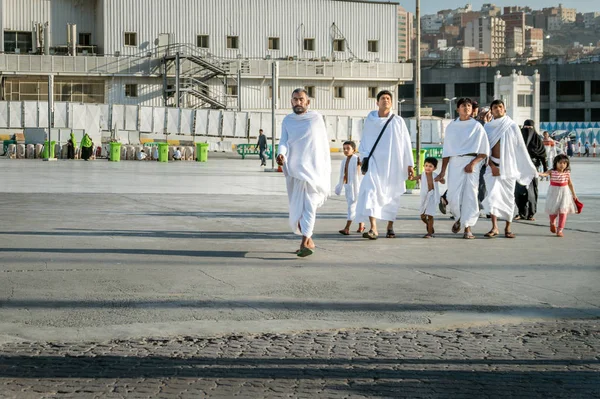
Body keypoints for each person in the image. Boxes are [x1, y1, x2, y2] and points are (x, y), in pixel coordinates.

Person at [276, 88, 331, 257]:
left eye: (301, 99)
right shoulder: (287, 120)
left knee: (310, 205)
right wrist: (281, 154)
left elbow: (321, 145)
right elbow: (284, 141)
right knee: (299, 208)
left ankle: (304, 241)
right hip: (295, 170)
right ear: (291, 101)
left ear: (308, 102)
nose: (298, 102)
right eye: (295, 99)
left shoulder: (316, 118)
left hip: (314, 170)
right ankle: (309, 240)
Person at [355, 90, 414, 240]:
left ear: (392, 103)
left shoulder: (398, 121)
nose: (385, 100)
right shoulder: (370, 119)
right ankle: (373, 228)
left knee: (391, 196)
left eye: (388, 98)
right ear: (377, 102)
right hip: (374, 163)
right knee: (370, 191)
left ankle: (390, 226)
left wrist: (409, 164)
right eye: (382, 98)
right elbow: (365, 140)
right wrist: (363, 158)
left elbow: (406, 143)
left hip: (393, 164)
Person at [482, 100, 537, 239]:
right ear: (491, 111)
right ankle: (494, 227)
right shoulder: (487, 128)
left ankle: (508, 228)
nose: (498, 109)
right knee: (492, 198)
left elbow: (520, 148)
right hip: (492, 167)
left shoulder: (512, 126)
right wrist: (492, 166)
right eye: (495, 107)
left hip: (508, 168)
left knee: (508, 199)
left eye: (500, 107)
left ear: (504, 110)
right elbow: (483, 150)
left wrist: (527, 167)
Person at [435, 97, 489, 239]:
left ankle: (467, 227)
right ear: (458, 108)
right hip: (454, 162)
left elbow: (484, 151)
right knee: (452, 195)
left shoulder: (477, 126)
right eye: (463, 106)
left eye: (469, 106)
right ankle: (459, 218)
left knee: (470, 195)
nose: (467, 108)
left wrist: (472, 164)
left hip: (472, 162)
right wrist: (442, 172)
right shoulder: (452, 127)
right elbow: (447, 151)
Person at [538, 154, 578, 237]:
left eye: (564, 163)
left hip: (565, 192)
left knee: (563, 211)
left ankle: (560, 230)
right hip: (554, 192)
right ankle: (552, 222)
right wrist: (537, 173)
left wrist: (574, 195)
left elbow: (570, 184)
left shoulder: (567, 173)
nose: (562, 165)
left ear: (567, 164)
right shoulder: (552, 171)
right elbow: (544, 174)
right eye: (560, 163)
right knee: (553, 210)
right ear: (555, 163)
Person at [514, 120, 546, 221]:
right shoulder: (517, 140)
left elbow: (543, 156)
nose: (527, 130)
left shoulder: (538, 142)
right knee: (519, 191)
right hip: (520, 169)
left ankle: (531, 213)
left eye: (530, 128)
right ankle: (521, 212)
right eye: (525, 128)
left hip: (533, 169)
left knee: (532, 192)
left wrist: (545, 170)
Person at [335, 140, 365, 235]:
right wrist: (341, 185)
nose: (346, 150)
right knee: (357, 207)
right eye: (344, 149)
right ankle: (361, 225)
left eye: (348, 148)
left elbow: (363, 166)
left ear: (354, 150)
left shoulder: (356, 159)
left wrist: (361, 163)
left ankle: (347, 228)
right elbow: (344, 174)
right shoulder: (345, 160)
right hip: (348, 187)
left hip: (356, 187)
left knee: (351, 208)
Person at [410, 157, 443, 238]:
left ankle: (429, 233)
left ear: (434, 168)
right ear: (423, 166)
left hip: (432, 197)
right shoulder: (422, 175)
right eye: (426, 165)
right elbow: (413, 179)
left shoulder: (435, 176)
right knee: (422, 216)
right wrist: (411, 177)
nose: (428, 168)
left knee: (430, 215)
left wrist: (441, 179)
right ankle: (429, 225)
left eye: (430, 166)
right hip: (425, 197)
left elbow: (443, 181)